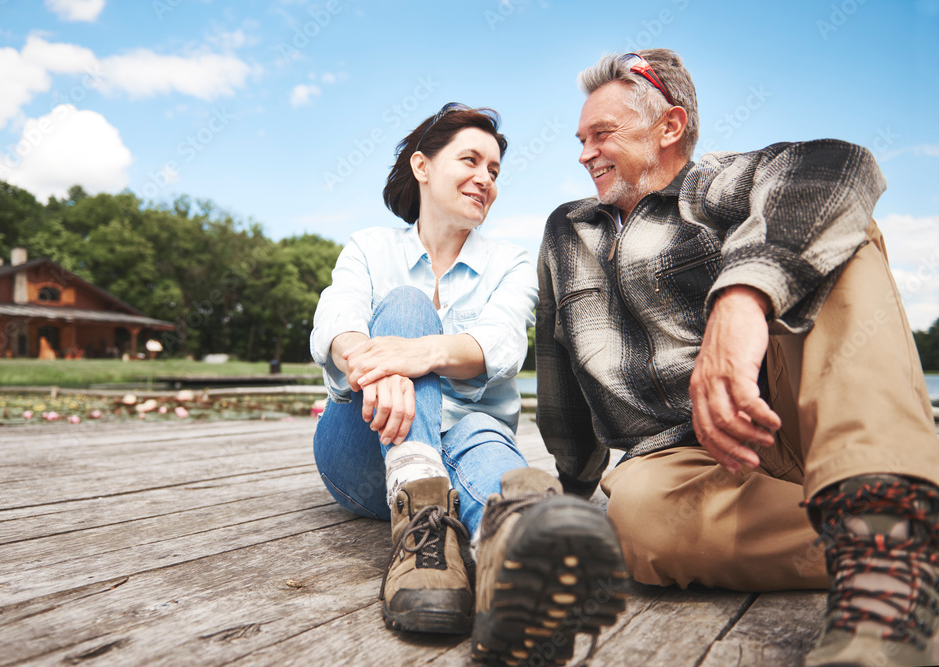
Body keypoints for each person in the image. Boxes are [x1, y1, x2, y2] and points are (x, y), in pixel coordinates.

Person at [537, 48, 939, 667]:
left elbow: (839, 164)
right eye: (580, 138)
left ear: (669, 127)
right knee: (636, 515)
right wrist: (570, 493)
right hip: (687, 461)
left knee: (838, 229)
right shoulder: (567, 231)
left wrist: (744, 295)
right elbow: (560, 378)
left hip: (801, 426)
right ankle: (897, 540)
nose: (584, 152)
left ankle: (887, 579)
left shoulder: (713, 184)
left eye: (603, 134)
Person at [311, 104, 627, 665]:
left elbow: (500, 345)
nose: (486, 178)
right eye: (471, 160)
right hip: (362, 451)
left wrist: (411, 355)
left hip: (467, 446)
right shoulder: (370, 248)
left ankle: (511, 556)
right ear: (422, 167)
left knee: (480, 428)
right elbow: (336, 324)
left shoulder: (509, 263)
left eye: (495, 170)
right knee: (406, 306)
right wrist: (384, 361)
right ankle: (426, 503)